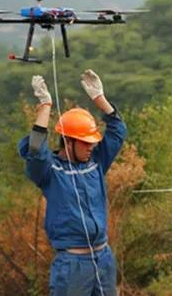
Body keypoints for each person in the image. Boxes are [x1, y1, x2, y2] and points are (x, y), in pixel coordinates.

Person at [18, 69, 127, 296]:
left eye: (92, 142)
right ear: (68, 142)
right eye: (85, 143)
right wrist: (45, 106)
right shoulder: (50, 172)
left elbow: (118, 132)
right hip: (73, 265)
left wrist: (100, 99)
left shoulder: (97, 162)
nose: (91, 147)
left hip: (103, 259)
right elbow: (36, 151)